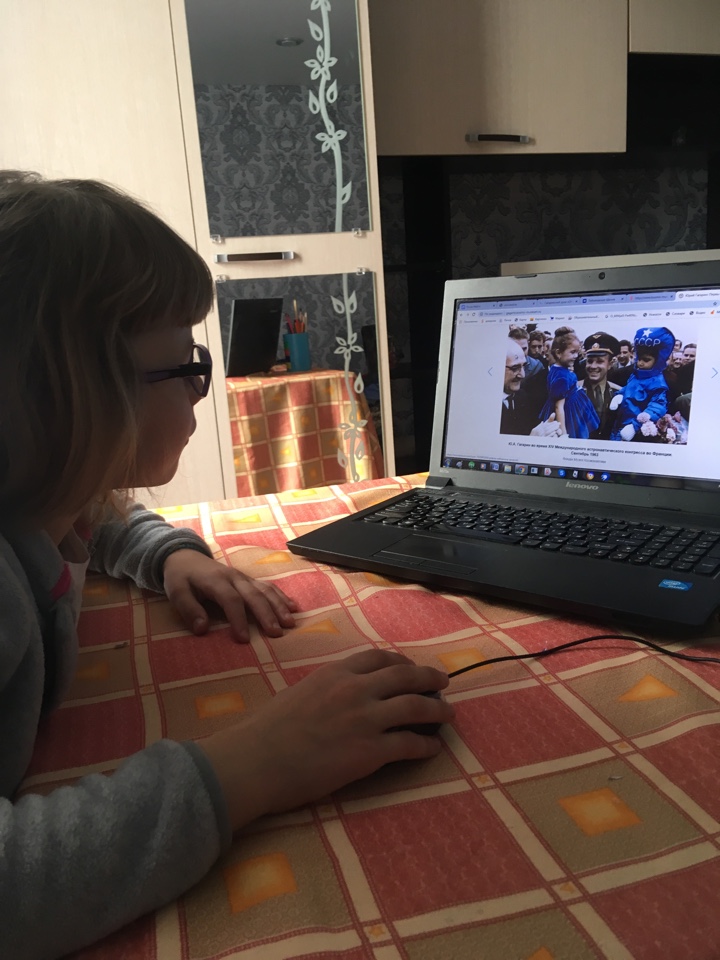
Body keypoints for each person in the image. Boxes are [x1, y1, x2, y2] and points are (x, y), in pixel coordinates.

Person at [0, 171, 454, 960]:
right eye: (184, 366)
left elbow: (98, 511)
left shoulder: (36, 496)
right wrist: (257, 763)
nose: (199, 392)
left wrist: (169, 553)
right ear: (74, 398)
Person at [609, 326, 675, 441]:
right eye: (639, 359)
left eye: (646, 360)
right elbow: (629, 388)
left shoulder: (658, 383)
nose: (640, 363)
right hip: (620, 424)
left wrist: (635, 426)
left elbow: (657, 407)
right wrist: (619, 395)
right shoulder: (636, 375)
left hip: (637, 431)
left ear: (657, 361)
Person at [538, 327, 599, 439]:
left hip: (573, 410)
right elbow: (558, 407)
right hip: (570, 414)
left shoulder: (558, 369)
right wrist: (563, 434)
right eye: (572, 352)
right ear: (558, 353)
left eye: (577, 352)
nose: (576, 356)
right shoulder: (562, 377)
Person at [500, 341, 561, 437]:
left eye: (523, 366)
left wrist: (548, 432)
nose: (522, 375)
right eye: (515, 368)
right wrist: (532, 439)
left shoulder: (522, 397)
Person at [577, 332, 622, 440]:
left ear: (610, 364)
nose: (593, 366)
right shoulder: (574, 389)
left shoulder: (618, 392)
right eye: (590, 361)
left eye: (600, 361)